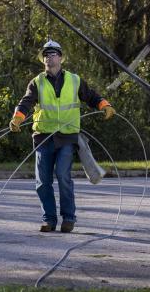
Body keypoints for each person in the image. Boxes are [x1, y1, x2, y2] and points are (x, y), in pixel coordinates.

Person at [10, 39, 114, 233]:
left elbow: (91, 96)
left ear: (60, 58)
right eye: (46, 55)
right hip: (43, 137)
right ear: (43, 60)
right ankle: (49, 220)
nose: (49, 57)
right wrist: (17, 118)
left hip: (67, 137)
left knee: (63, 176)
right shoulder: (37, 82)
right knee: (43, 182)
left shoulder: (75, 80)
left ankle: (69, 218)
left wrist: (104, 105)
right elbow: (26, 102)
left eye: (53, 54)